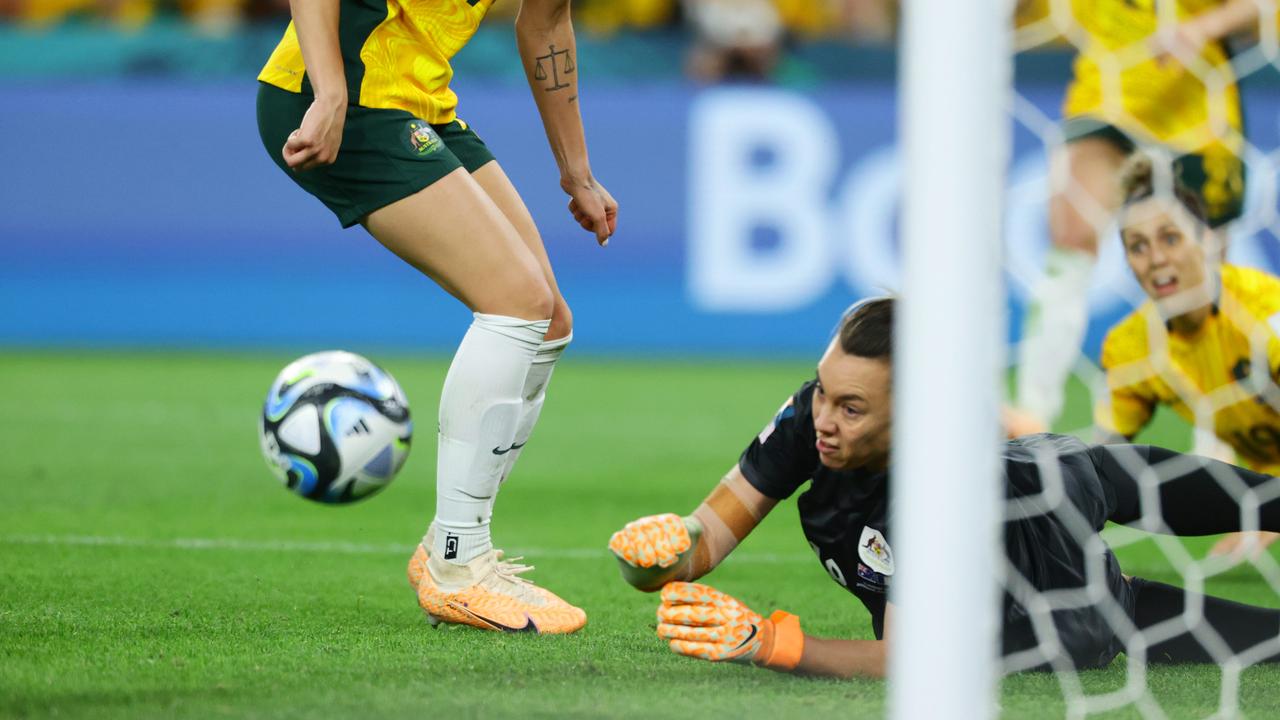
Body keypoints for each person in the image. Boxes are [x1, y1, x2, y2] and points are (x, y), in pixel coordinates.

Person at [609, 298, 1280, 677]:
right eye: (824, 391)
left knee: (1263, 500)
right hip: (1060, 596)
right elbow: (702, 545)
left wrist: (770, 642)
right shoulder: (812, 417)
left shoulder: (929, 500)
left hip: (1065, 536)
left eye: (852, 408)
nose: (824, 421)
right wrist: (654, 556)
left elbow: (910, 660)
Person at [256, 0, 618, 634]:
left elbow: (547, 22)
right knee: (516, 303)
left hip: (415, 99)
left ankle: (446, 547)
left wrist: (577, 171)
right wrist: (332, 91)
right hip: (338, 97)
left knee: (549, 321)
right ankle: (460, 563)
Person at [1015, 0, 1263, 431]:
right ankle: (1031, 413)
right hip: (1106, 99)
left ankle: (1219, 439)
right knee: (1071, 242)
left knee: (1202, 288)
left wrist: (1205, 26)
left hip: (1196, 107)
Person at [1097, 153, 1280, 560]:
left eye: (1171, 238)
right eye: (1138, 247)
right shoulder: (1131, 347)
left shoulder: (1266, 313)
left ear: (1209, 241)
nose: (1156, 259)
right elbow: (1099, 467)